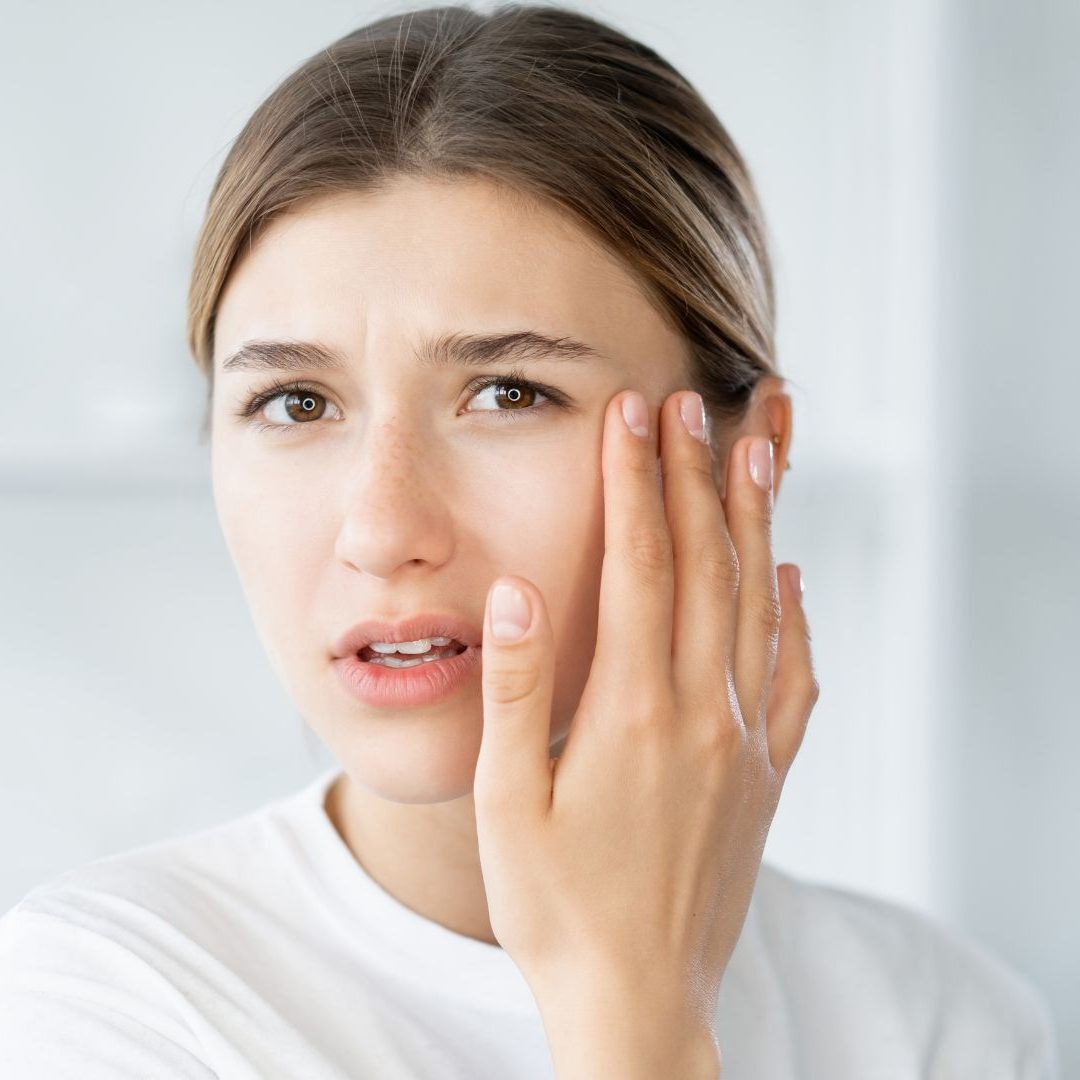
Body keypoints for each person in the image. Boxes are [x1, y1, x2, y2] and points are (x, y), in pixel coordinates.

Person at [0, 4, 1060, 1077]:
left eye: (508, 393)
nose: (382, 531)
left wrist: (633, 990)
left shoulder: (935, 1027)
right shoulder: (109, 1000)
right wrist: (631, 1017)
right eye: (296, 403)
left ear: (756, 454)